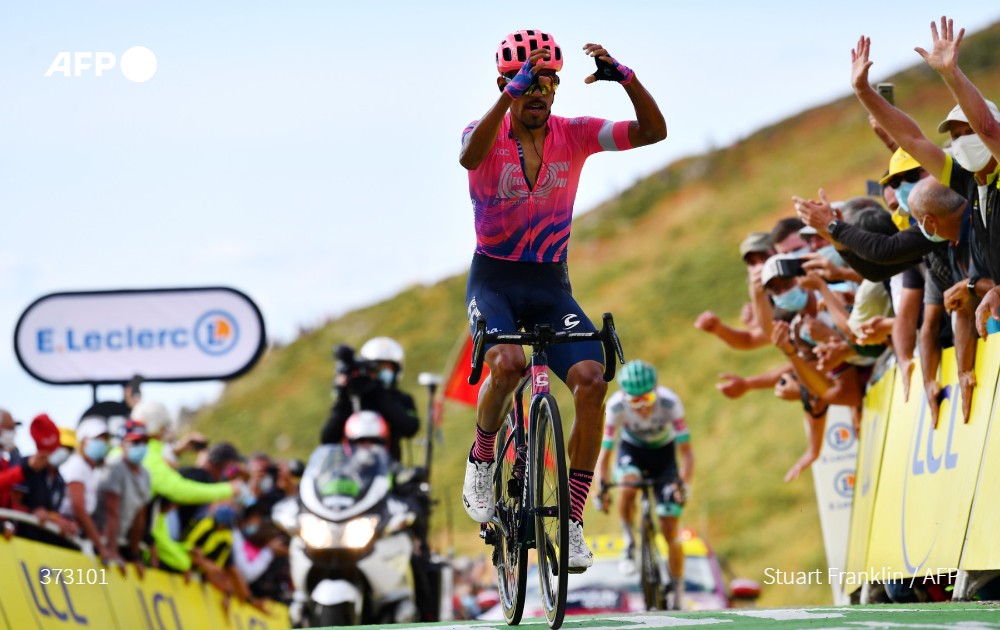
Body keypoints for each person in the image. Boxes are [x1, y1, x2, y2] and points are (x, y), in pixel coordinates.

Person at [459, 28, 666, 572]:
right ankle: (482, 457)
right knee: (507, 364)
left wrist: (626, 78)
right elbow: (468, 158)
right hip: (494, 280)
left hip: (550, 284)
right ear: (504, 85)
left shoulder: (574, 134)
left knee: (593, 382)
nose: (536, 92)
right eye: (524, 82)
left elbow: (653, 132)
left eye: (546, 82)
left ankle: (571, 521)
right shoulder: (483, 133)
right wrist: (507, 97)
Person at [594, 360, 693, 607]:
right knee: (627, 486)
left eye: (647, 399)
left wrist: (683, 484)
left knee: (670, 528)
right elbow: (604, 455)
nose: (642, 407)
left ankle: (678, 592)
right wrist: (601, 489)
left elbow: (686, 453)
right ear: (624, 398)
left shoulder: (670, 402)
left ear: (656, 391)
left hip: (664, 456)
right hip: (632, 451)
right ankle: (629, 542)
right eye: (635, 401)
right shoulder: (616, 406)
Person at [320, 337, 420, 463]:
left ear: (396, 370)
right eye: (376, 368)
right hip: (352, 470)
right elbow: (328, 438)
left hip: (389, 469)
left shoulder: (402, 399)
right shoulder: (354, 398)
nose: (381, 372)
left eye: (387, 368)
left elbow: (410, 428)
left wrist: (378, 392)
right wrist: (344, 397)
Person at [97, 419, 152, 570]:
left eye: (144, 442)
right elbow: (111, 513)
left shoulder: (146, 474)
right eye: (136, 442)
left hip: (120, 543)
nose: (141, 446)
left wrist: (134, 555)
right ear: (122, 444)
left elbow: (139, 518)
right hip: (101, 542)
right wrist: (113, 551)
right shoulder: (114, 467)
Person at [59, 417, 116, 562]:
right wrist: (100, 546)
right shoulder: (77, 465)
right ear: (83, 441)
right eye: (97, 439)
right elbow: (79, 508)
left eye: (104, 440)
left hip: (75, 531)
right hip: (65, 530)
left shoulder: (90, 469)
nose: (102, 443)